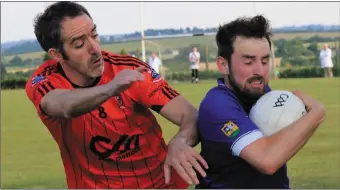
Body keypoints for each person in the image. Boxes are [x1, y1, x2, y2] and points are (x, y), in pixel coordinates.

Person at [25, 2, 208, 189]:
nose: (95, 49)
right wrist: (111, 88)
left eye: (94, 35)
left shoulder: (127, 68)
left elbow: (190, 115)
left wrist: (180, 141)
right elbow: (62, 105)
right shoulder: (45, 81)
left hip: (160, 185)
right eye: (79, 44)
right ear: (57, 55)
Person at [196, 15, 326, 189]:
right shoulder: (218, 104)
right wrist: (316, 113)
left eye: (265, 61)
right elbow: (267, 161)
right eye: (248, 62)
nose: (259, 70)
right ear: (223, 65)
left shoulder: (266, 96)